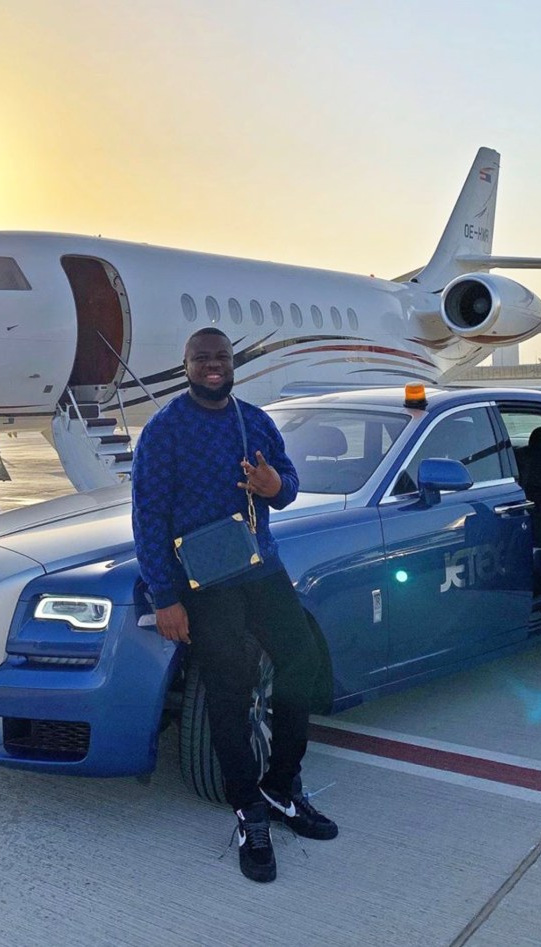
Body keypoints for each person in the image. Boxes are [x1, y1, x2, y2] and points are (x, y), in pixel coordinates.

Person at [131, 326, 337, 884]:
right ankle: (249, 809)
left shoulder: (255, 419)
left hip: (261, 568)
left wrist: (275, 486)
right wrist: (165, 597)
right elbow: (146, 519)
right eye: (202, 358)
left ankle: (281, 785)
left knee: (301, 662)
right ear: (187, 364)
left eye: (221, 357)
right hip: (203, 582)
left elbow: (289, 483)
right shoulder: (164, 431)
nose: (213, 365)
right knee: (230, 687)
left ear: (232, 362)